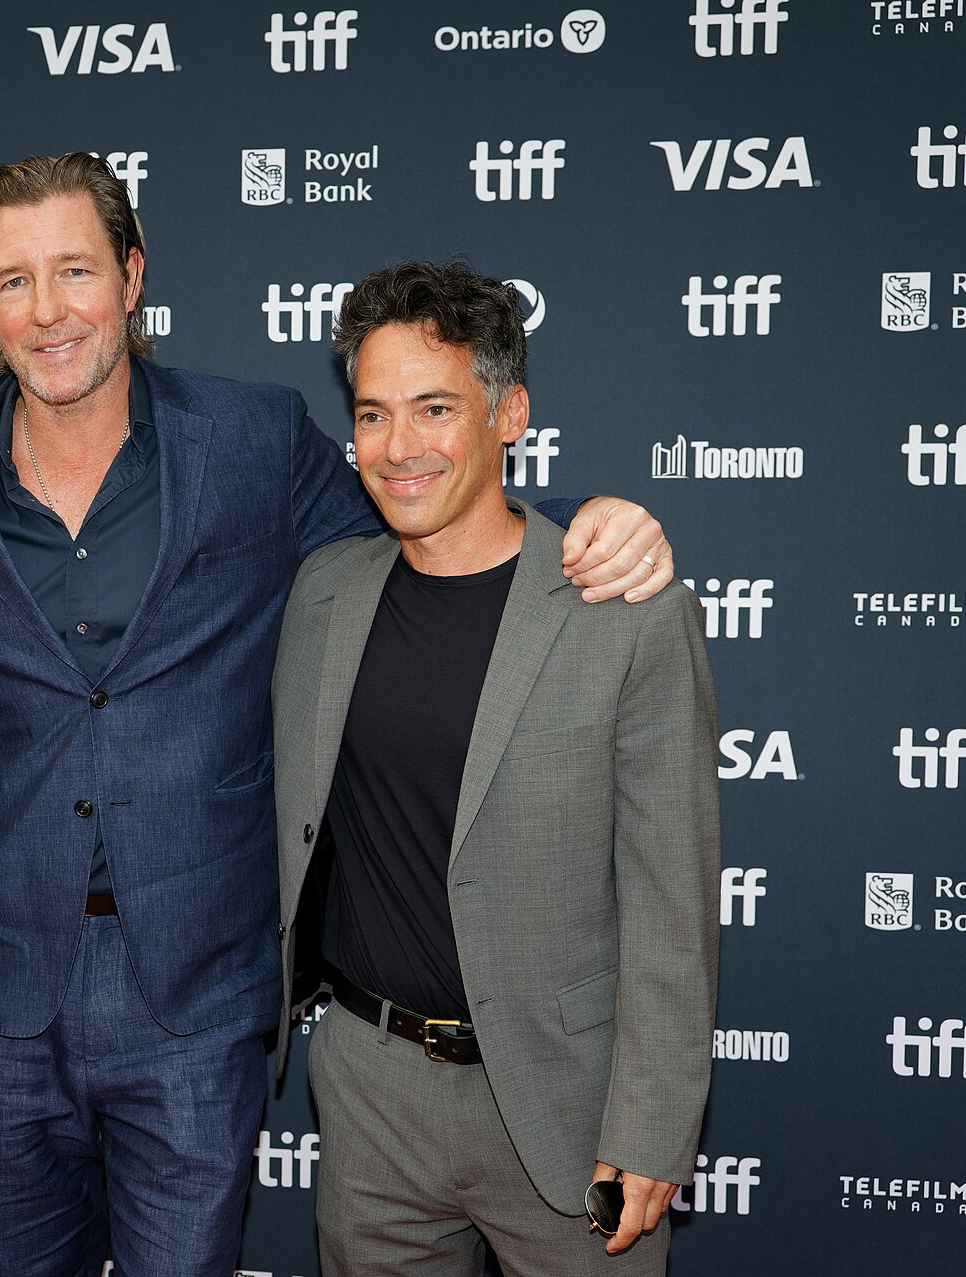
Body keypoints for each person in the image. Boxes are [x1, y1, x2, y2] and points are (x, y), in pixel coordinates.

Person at [0, 154, 677, 1275]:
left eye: (74, 271)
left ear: (133, 276)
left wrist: (590, 519)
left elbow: (432, 519)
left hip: (196, 994)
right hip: (1, 997)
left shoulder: (254, 440)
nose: (46, 312)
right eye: (11, 282)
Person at [272, 259, 719, 1276]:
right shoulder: (324, 593)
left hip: (566, 1099)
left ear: (509, 412)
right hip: (371, 1095)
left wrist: (651, 1128)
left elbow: (672, 902)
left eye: (435, 408)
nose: (400, 447)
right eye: (374, 414)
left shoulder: (626, 612)